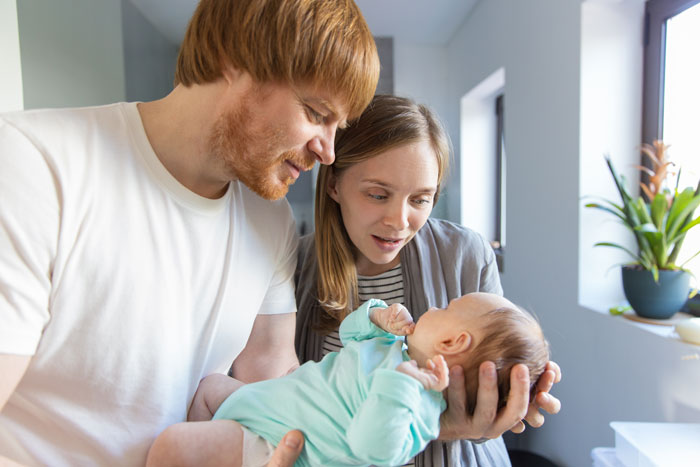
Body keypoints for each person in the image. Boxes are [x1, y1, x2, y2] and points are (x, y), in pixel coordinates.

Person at [0, 0, 379, 465]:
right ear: (232, 57)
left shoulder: (269, 219)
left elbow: (272, 373)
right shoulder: (31, 163)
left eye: (339, 126)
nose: (328, 152)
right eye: (316, 112)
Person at [294, 94, 562, 466]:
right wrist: (441, 424)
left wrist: (514, 397)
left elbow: (491, 365)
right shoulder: (293, 266)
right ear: (334, 185)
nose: (399, 221)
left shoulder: (467, 255)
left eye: (420, 200)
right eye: (377, 194)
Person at [146, 292, 550, 467]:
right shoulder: (397, 346)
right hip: (261, 405)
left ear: (451, 340)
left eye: (446, 307)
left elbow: (372, 447)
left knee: (170, 448)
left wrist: (403, 383)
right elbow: (352, 335)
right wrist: (376, 316)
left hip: (273, 442)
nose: (433, 306)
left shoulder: (421, 405)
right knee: (209, 386)